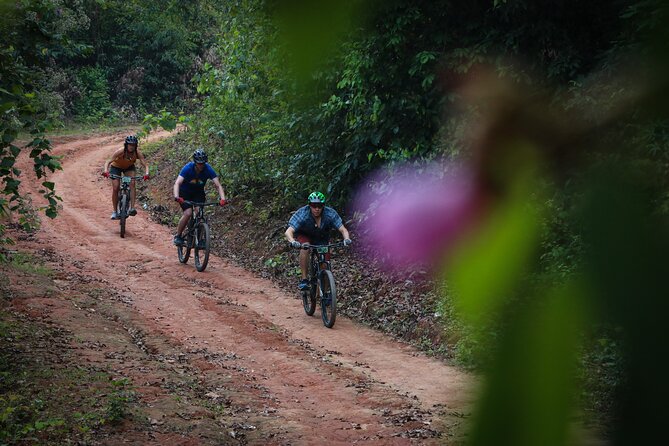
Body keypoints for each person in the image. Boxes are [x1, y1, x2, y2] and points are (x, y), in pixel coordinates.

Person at [285, 191, 352, 290]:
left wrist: (346, 239)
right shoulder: (303, 213)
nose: (317, 208)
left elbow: (343, 229)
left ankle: (325, 293)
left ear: (323, 206)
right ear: (309, 205)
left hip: (321, 238)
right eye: (313, 205)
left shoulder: (330, 213)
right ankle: (304, 279)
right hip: (305, 235)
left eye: (320, 206)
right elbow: (288, 231)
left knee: (325, 264)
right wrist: (293, 241)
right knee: (305, 247)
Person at [173, 148, 227, 246]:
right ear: (195, 162)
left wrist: (223, 198)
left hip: (198, 192)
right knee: (188, 213)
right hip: (185, 193)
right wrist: (177, 196)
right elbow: (177, 183)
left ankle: (200, 238)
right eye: (199, 163)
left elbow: (218, 185)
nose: (201, 165)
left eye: (203, 163)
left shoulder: (208, 169)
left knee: (200, 213)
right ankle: (178, 236)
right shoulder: (188, 168)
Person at [102, 135, 150, 219]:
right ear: (126, 145)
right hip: (116, 168)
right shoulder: (120, 151)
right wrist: (105, 171)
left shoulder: (137, 153)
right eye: (130, 145)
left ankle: (132, 208)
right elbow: (108, 161)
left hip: (128, 168)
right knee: (116, 187)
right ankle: (115, 211)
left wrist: (147, 173)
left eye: (133, 145)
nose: (131, 147)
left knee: (132, 183)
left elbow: (145, 164)